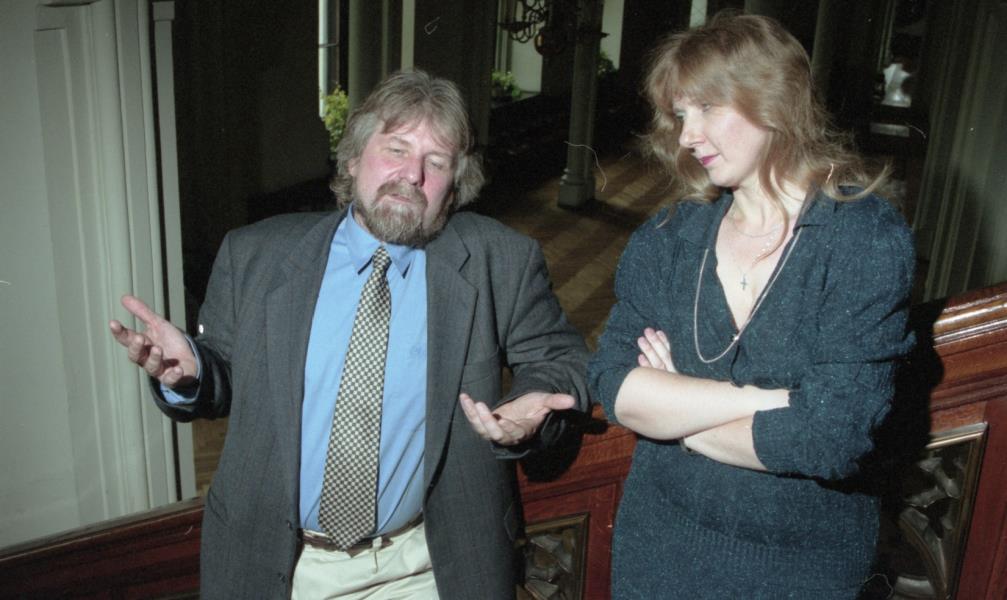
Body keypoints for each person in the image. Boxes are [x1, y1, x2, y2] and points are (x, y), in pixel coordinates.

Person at [109, 69, 588, 599]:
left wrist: (529, 406)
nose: (412, 175)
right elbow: (221, 378)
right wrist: (192, 373)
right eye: (396, 150)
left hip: (425, 568)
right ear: (355, 158)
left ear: (455, 186)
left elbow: (559, 358)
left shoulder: (499, 260)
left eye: (436, 162)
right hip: (280, 566)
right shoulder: (255, 255)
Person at [588, 13, 915, 599]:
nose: (687, 136)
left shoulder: (862, 240)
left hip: (801, 567)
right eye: (680, 115)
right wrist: (773, 401)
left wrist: (677, 414)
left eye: (707, 108)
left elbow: (832, 438)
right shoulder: (669, 238)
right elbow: (614, 384)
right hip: (659, 546)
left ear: (774, 99)